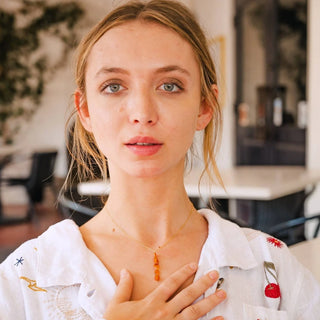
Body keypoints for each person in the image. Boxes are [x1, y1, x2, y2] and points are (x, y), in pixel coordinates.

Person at [0, 1, 319, 319]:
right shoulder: (25, 282)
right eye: (113, 86)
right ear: (85, 110)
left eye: (170, 86)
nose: (142, 113)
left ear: (205, 107)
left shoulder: (271, 267)